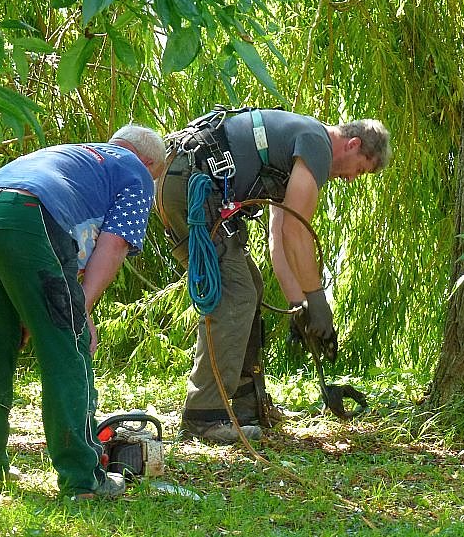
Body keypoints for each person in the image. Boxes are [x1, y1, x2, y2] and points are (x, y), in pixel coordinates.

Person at [0, 125, 166, 499]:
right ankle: (83, 479)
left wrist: (55, 311)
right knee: (67, 349)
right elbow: (112, 249)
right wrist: (79, 319)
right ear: (149, 162)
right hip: (27, 216)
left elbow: (65, 267)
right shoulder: (136, 170)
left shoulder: (76, 157)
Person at [156, 107, 391, 443]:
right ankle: (203, 417)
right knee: (235, 293)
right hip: (192, 189)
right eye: (359, 170)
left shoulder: (301, 146)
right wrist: (317, 300)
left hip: (185, 182)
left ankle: (245, 404)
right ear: (353, 144)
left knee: (249, 285)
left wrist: (298, 305)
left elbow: (279, 239)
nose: (351, 178)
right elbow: (297, 232)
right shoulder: (316, 145)